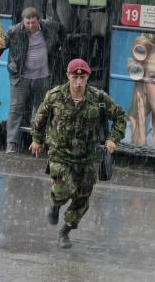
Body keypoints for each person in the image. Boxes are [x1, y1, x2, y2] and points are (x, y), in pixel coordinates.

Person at [29, 59, 126, 248]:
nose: (79, 82)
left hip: (87, 154)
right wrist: (36, 140)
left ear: (88, 77)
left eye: (83, 77)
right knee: (64, 187)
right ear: (68, 76)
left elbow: (120, 116)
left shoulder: (98, 98)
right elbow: (40, 118)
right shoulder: (55, 96)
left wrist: (113, 138)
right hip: (60, 152)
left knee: (82, 197)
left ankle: (65, 231)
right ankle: (56, 204)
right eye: (75, 77)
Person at [0, 7, 65, 153]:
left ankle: (39, 142)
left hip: (43, 76)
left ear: (38, 20)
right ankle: (11, 143)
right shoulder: (14, 31)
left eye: (33, 22)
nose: (30, 26)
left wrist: (61, 47)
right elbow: (0, 46)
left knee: (42, 110)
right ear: (23, 22)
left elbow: (62, 30)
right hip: (20, 77)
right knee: (16, 108)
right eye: (27, 23)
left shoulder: (49, 26)